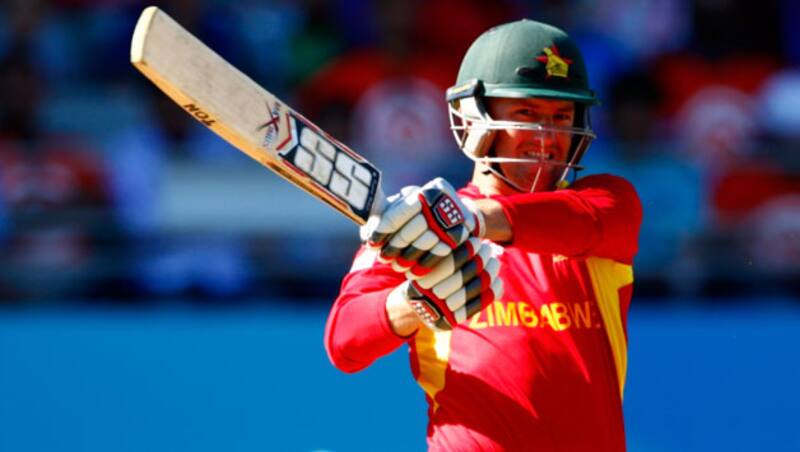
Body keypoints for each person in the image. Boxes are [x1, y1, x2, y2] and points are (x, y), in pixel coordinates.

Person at [324, 19, 642, 451]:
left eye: (561, 117)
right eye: (526, 114)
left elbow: (582, 220)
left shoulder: (606, 202)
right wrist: (414, 302)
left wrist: (468, 218)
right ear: (470, 118)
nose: (547, 138)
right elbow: (344, 342)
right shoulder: (419, 226)